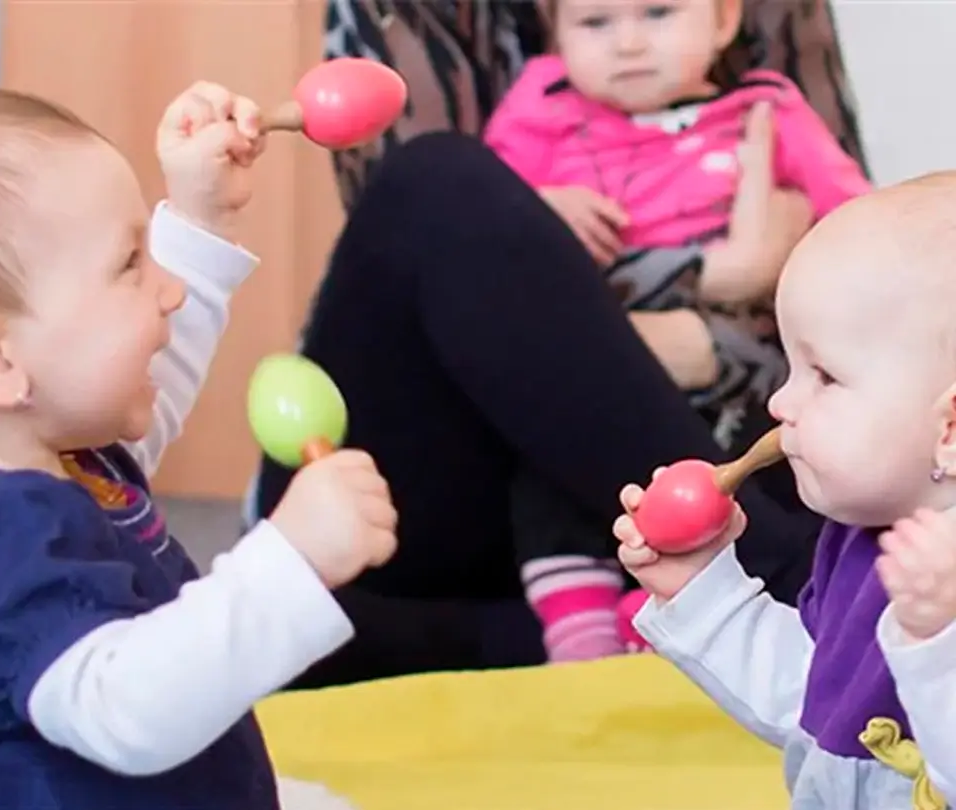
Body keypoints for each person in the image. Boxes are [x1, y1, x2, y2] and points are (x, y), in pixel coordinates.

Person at [247, 0, 868, 687]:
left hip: (718, 421)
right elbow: (465, 258)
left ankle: (744, 598)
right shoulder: (501, 84)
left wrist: (721, 344)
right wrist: (721, 274)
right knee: (438, 179)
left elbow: (856, 251)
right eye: (597, 24)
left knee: (866, 362)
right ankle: (779, 586)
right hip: (462, 478)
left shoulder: (766, 83)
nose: (628, 42)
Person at [0, 85, 396, 809]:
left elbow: (155, 378)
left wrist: (200, 218)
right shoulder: (8, 537)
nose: (169, 293)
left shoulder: (65, 447)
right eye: (129, 265)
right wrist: (289, 560)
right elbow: (120, 710)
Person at [481, 0, 870, 661]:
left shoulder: (765, 108)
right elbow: (480, 218)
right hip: (597, 356)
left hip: (732, 367)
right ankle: (577, 627)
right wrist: (538, 206)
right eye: (594, 24)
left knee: (755, 464)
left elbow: (855, 220)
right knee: (545, 461)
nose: (627, 43)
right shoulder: (541, 104)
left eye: (657, 14)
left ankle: (667, 605)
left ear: (723, 23)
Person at [616, 174, 956, 808]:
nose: (778, 401)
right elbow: (812, 705)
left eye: (823, 376)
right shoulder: (860, 540)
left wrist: (939, 643)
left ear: (951, 426)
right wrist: (701, 588)